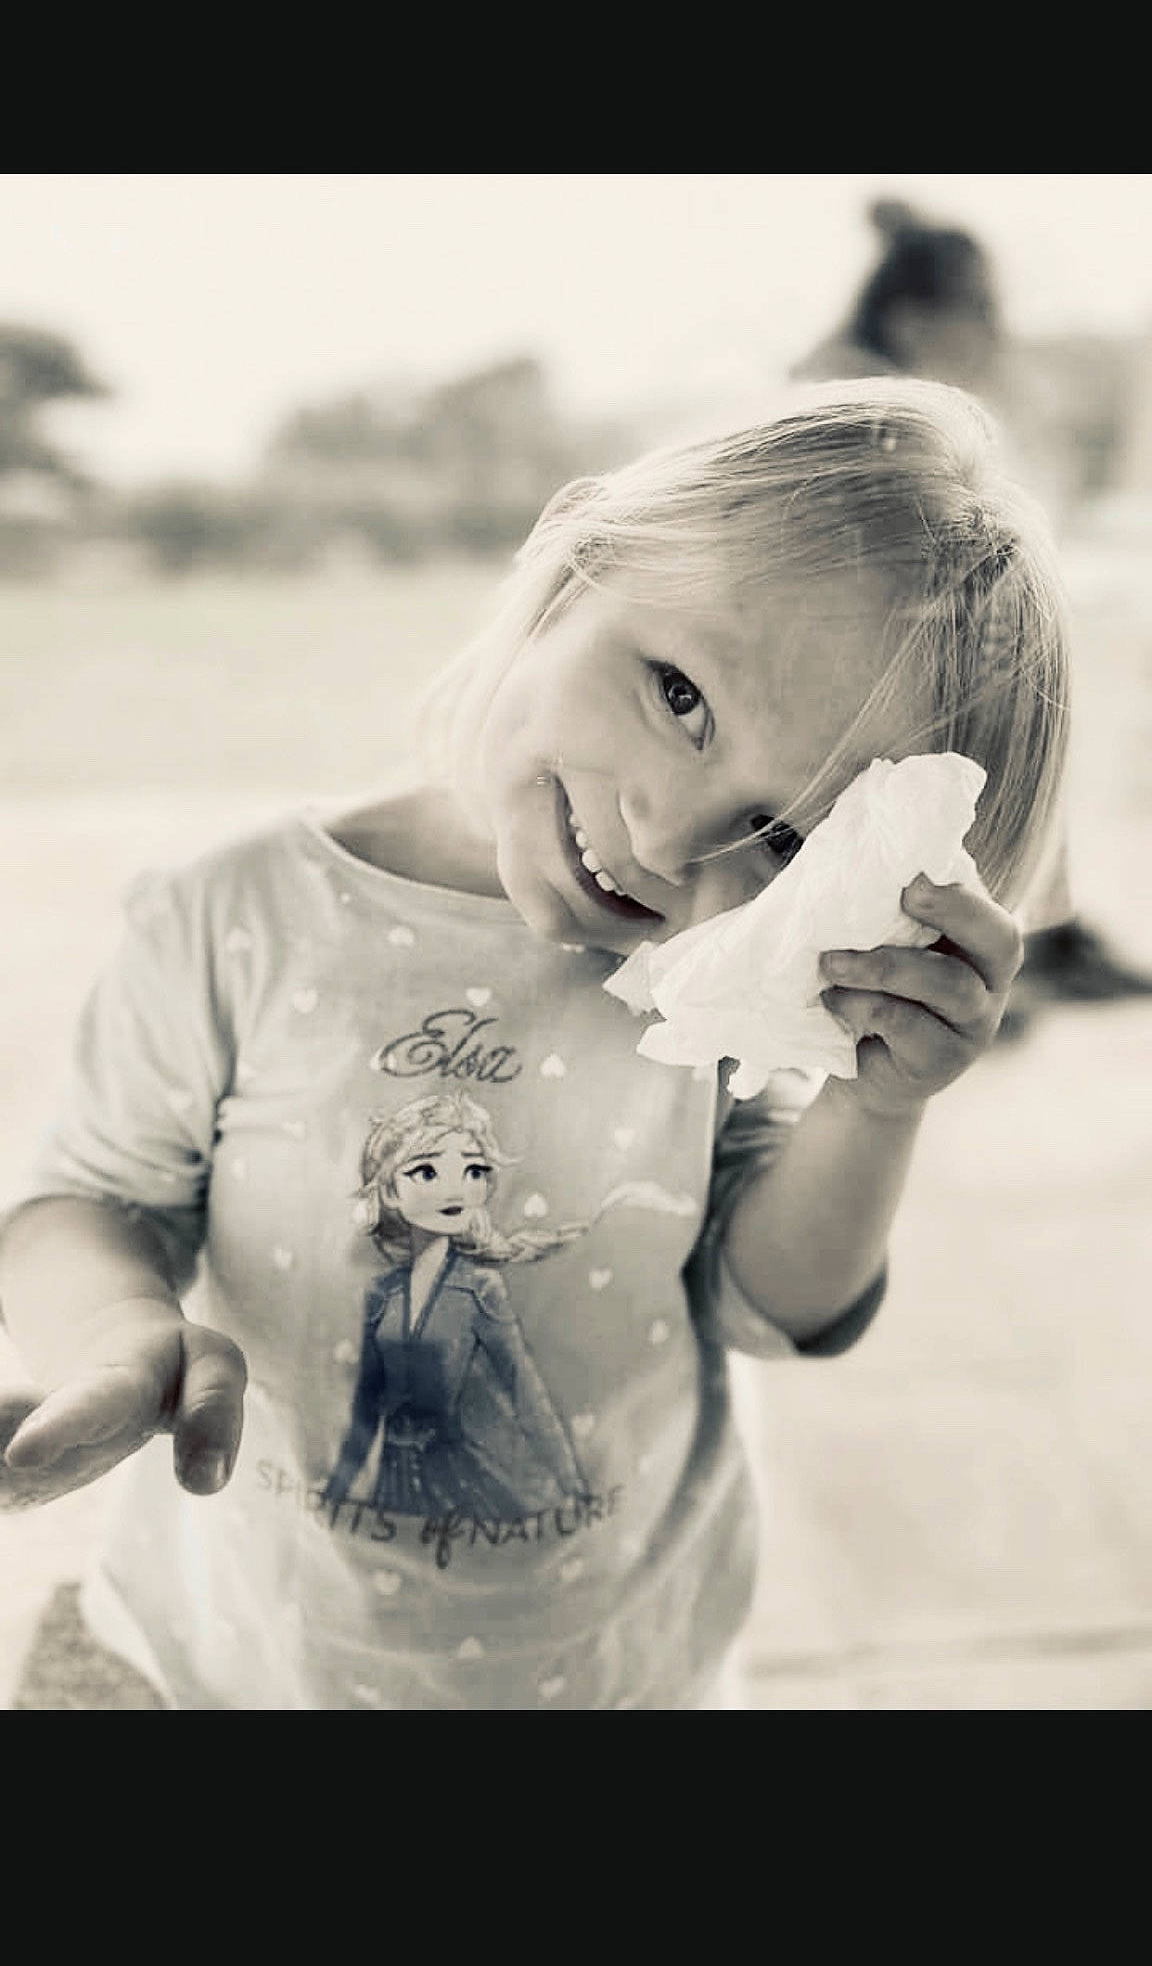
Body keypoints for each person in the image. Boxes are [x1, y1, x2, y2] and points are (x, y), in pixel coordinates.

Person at [0, 378, 1070, 1712]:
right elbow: (86, 1198)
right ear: (577, 570)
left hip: (610, 1679)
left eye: (784, 839)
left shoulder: (711, 993)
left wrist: (877, 1106)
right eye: (681, 695)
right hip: (215, 1667)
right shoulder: (239, 917)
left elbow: (768, 1302)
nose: (673, 837)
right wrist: (115, 1334)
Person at [792, 198, 1152, 1034]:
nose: (999, 333)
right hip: (847, 671)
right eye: (983, 311)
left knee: (1033, 660)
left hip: (907, 647)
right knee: (1012, 674)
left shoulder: (913, 392)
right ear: (917, 319)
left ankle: (1036, 934)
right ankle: (993, 946)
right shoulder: (857, 403)